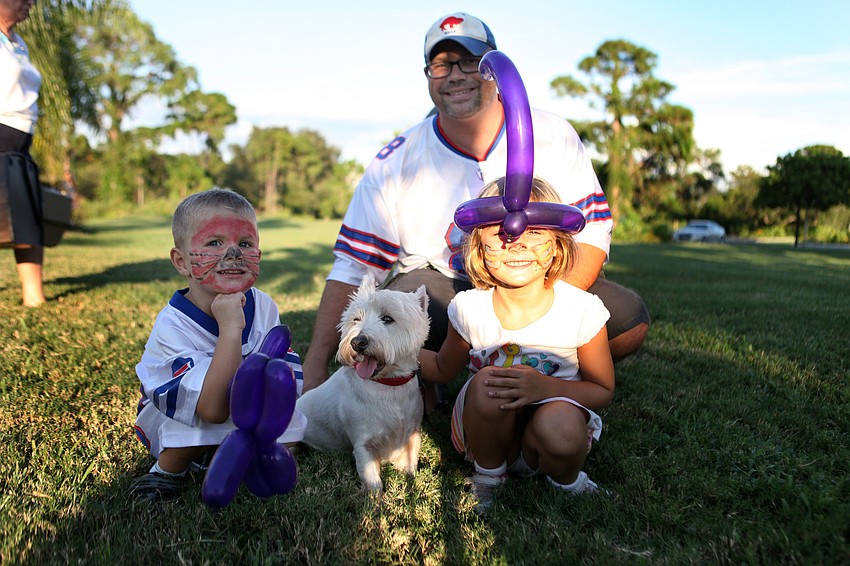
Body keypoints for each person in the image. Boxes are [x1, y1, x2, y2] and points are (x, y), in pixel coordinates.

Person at [301, 12, 649, 398]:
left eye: (470, 61)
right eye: (441, 64)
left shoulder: (553, 132)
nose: (455, 75)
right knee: (413, 292)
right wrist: (315, 366)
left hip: (538, 278)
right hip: (446, 287)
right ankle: (436, 377)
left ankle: (540, 369)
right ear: (427, 75)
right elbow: (353, 265)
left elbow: (593, 234)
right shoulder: (395, 160)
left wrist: (541, 313)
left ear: (492, 68)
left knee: (627, 319)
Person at [419, 177, 615, 514]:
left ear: (557, 245)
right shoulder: (470, 309)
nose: (517, 242)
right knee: (487, 383)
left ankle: (567, 480)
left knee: (562, 425)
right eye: (500, 231)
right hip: (486, 435)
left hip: (549, 436)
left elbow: (602, 389)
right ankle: (489, 476)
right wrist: (390, 349)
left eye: (535, 231)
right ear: (478, 246)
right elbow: (441, 368)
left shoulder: (582, 310)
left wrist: (545, 387)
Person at [132, 188, 306, 501]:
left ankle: (236, 454)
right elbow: (210, 408)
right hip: (184, 409)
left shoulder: (264, 306)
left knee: (288, 419)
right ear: (182, 261)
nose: (233, 254)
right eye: (214, 243)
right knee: (189, 424)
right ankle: (167, 471)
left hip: (243, 403)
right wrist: (230, 329)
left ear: (259, 254)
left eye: (245, 243)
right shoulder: (172, 325)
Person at [0, 0, 45, 307]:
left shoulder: (18, 43)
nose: (31, 3)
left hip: (20, 141)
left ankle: (34, 296)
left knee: (26, 219)